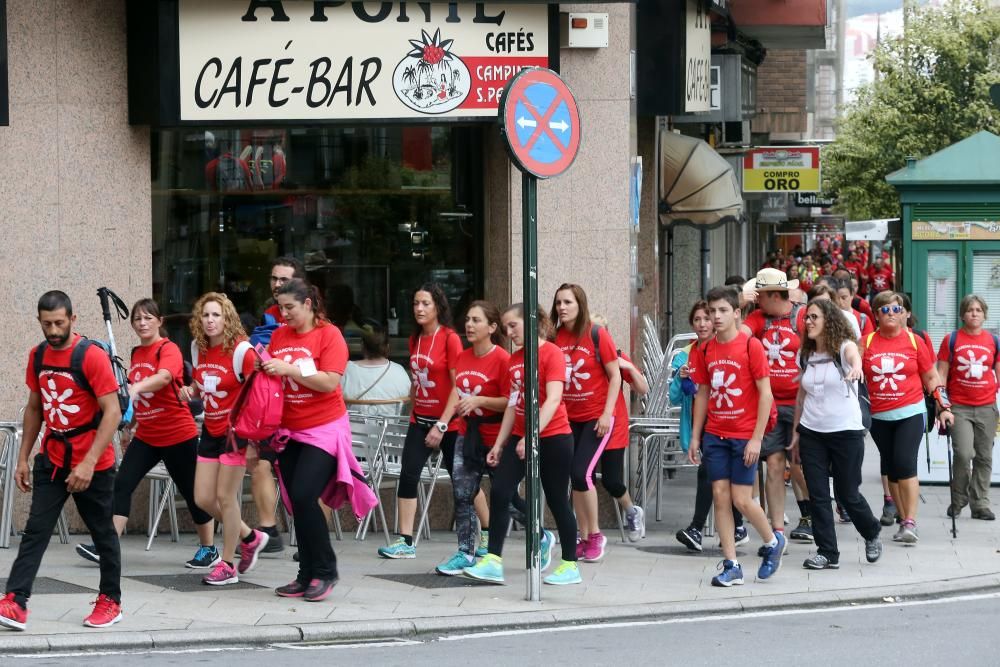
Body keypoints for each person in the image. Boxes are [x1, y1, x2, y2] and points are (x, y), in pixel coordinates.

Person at [0, 292, 124, 631]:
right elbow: (36, 408)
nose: (53, 330)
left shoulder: (91, 357)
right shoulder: (38, 355)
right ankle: (16, 600)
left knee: (103, 535)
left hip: (93, 464)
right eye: (46, 324)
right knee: (36, 531)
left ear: (73, 318)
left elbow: (112, 412)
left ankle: (110, 600)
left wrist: (88, 463)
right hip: (53, 459)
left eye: (59, 322)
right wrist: (23, 458)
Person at [76, 299, 216, 569]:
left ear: (159, 321)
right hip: (147, 435)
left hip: (177, 433)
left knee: (192, 493)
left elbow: (164, 378)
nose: (142, 323)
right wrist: (130, 426)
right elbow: (138, 400)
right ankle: (108, 546)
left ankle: (209, 549)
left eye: (148, 318)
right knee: (122, 483)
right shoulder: (137, 354)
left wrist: (135, 387)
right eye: (137, 319)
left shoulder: (168, 348)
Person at [463, 304, 580, 585]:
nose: (509, 332)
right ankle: (493, 561)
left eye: (513, 325)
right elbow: (514, 406)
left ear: (532, 322)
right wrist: (500, 444)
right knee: (501, 491)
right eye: (506, 327)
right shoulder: (515, 359)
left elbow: (553, 399)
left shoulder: (552, 353)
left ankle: (570, 564)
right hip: (520, 435)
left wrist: (533, 436)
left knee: (556, 500)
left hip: (553, 436)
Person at [262, 278, 364, 601]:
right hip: (289, 429)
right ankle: (305, 573)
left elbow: (329, 382)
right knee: (297, 503)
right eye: (280, 308)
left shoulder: (329, 335)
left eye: (290, 307)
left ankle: (325, 569)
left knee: (306, 496)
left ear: (308, 304)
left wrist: (288, 369)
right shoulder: (278, 335)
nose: (284, 313)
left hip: (325, 428)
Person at [688, 286, 786, 587]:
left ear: (736, 313)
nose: (716, 317)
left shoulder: (750, 347)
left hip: (744, 434)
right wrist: (696, 436)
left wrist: (757, 439)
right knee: (720, 496)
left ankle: (772, 541)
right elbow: (704, 392)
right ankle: (731, 564)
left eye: (722, 311)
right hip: (715, 434)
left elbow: (766, 395)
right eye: (712, 311)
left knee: (742, 500)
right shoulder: (706, 349)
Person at [790, 297, 883, 569]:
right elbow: (800, 396)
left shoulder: (844, 347)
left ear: (829, 320)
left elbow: (855, 358)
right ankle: (828, 552)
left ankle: (872, 531)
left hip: (846, 431)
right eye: (807, 317)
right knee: (818, 494)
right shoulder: (805, 355)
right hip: (811, 432)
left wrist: (856, 368)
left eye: (814, 317)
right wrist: (796, 433)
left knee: (847, 493)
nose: (808, 322)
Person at [185, 293, 271, 586]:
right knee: (202, 498)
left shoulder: (242, 351)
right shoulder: (199, 349)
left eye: (216, 315)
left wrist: (256, 442)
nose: (210, 321)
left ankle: (228, 564)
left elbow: (260, 391)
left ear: (228, 319)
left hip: (236, 433)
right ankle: (250, 536)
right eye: (206, 315)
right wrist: (191, 391)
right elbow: (202, 384)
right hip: (210, 429)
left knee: (225, 497)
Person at [377, 283, 465, 559]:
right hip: (420, 419)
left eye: (425, 303)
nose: (419, 308)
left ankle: (485, 530)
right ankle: (405, 540)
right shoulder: (416, 339)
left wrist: (442, 424)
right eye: (416, 303)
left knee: (463, 481)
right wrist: (412, 410)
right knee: (408, 473)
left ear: (438, 306)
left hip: (448, 423)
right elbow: (416, 380)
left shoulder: (450, 338)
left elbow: (457, 386)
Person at [864, 291, 953, 544]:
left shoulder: (915, 342)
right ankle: (904, 522)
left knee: (905, 462)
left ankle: (911, 520)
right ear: (877, 314)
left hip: (910, 411)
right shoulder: (866, 342)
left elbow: (932, 378)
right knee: (891, 467)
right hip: (879, 415)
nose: (892, 314)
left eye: (896, 309)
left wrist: (944, 407)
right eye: (885, 310)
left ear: (904, 313)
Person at [435, 301, 511, 575]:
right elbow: (457, 390)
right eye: (467, 319)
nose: (469, 325)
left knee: (506, 497)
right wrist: (445, 420)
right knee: (462, 493)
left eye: (476, 320)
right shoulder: (463, 357)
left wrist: (480, 400)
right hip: (467, 435)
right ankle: (465, 553)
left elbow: (510, 402)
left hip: (497, 437)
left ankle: (538, 535)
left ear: (492, 327)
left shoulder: (503, 358)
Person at [740, 269, 814, 544]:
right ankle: (776, 531)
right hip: (768, 404)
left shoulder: (803, 316)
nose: (756, 301)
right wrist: (738, 302)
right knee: (773, 465)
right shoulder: (758, 318)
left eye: (759, 296)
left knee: (800, 466)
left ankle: (816, 511)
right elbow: (737, 338)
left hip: (801, 404)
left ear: (773, 295)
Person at [551, 284, 622, 562]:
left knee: (582, 473)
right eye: (558, 303)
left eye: (568, 302)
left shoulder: (596, 333)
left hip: (596, 418)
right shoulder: (555, 336)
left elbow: (615, 376)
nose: (562, 307)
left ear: (580, 304)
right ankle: (582, 537)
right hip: (568, 420)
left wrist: (606, 413)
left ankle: (595, 535)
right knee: (575, 477)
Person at [674, 300, 747, 551]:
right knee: (713, 475)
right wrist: (680, 378)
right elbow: (674, 396)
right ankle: (735, 527)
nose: (703, 323)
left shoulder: (726, 348)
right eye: (698, 319)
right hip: (700, 423)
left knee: (712, 474)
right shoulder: (686, 353)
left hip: (726, 421)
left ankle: (703, 527)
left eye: (708, 318)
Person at [247, 256, 306, 555]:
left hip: (307, 411)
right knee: (259, 463)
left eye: (284, 279)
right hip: (273, 408)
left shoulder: (316, 319)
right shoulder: (268, 315)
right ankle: (269, 530)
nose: (277, 284)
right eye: (274, 278)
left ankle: (309, 538)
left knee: (307, 476)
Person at [937, 295, 999, 520]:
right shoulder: (951, 339)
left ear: (984, 314)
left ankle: (980, 503)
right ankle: (959, 498)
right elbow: (941, 374)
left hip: (987, 406)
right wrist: (942, 405)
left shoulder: (994, 341)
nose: (974, 313)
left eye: (979, 310)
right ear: (962, 314)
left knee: (984, 456)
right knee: (963, 454)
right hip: (959, 406)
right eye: (970, 310)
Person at [590, 314, 649, 542]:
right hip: (585, 424)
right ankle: (586, 528)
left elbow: (643, 389)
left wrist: (628, 367)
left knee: (611, 480)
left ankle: (632, 512)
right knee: (580, 477)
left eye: (600, 332)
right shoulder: (578, 357)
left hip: (613, 424)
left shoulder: (616, 356)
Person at [342, 329, 411, 417]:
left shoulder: (346, 369)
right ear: (387, 347)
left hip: (351, 427)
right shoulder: (399, 370)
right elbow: (408, 398)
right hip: (390, 428)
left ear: (362, 346)